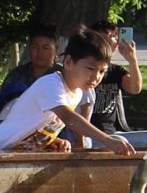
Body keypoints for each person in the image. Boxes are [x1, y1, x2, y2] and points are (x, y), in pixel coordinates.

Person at [0, 34, 136, 155]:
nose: (96, 77)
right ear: (68, 62)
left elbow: (40, 126)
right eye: (90, 68)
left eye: (102, 71)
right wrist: (107, 140)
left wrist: (51, 141)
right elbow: (69, 118)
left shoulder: (78, 92)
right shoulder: (51, 84)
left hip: (18, 155)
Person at [77, 24, 143, 132]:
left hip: (109, 133)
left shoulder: (115, 71)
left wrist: (132, 60)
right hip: (84, 131)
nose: (112, 41)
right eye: (105, 40)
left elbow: (135, 88)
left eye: (114, 37)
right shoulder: (79, 69)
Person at [0, 24, 58, 105]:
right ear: (29, 49)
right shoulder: (16, 75)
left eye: (45, 48)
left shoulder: (62, 76)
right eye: (35, 47)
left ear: (56, 51)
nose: (40, 53)